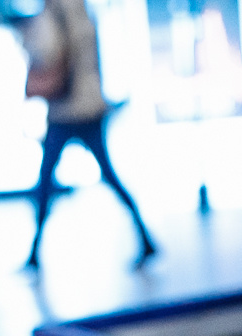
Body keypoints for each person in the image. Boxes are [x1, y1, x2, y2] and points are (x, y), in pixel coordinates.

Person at [20, 0, 157, 270]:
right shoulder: (79, 8)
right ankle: (145, 238)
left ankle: (34, 253)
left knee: (46, 182)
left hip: (67, 111)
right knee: (104, 176)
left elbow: (47, 51)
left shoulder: (57, 10)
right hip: (88, 106)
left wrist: (26, 37)